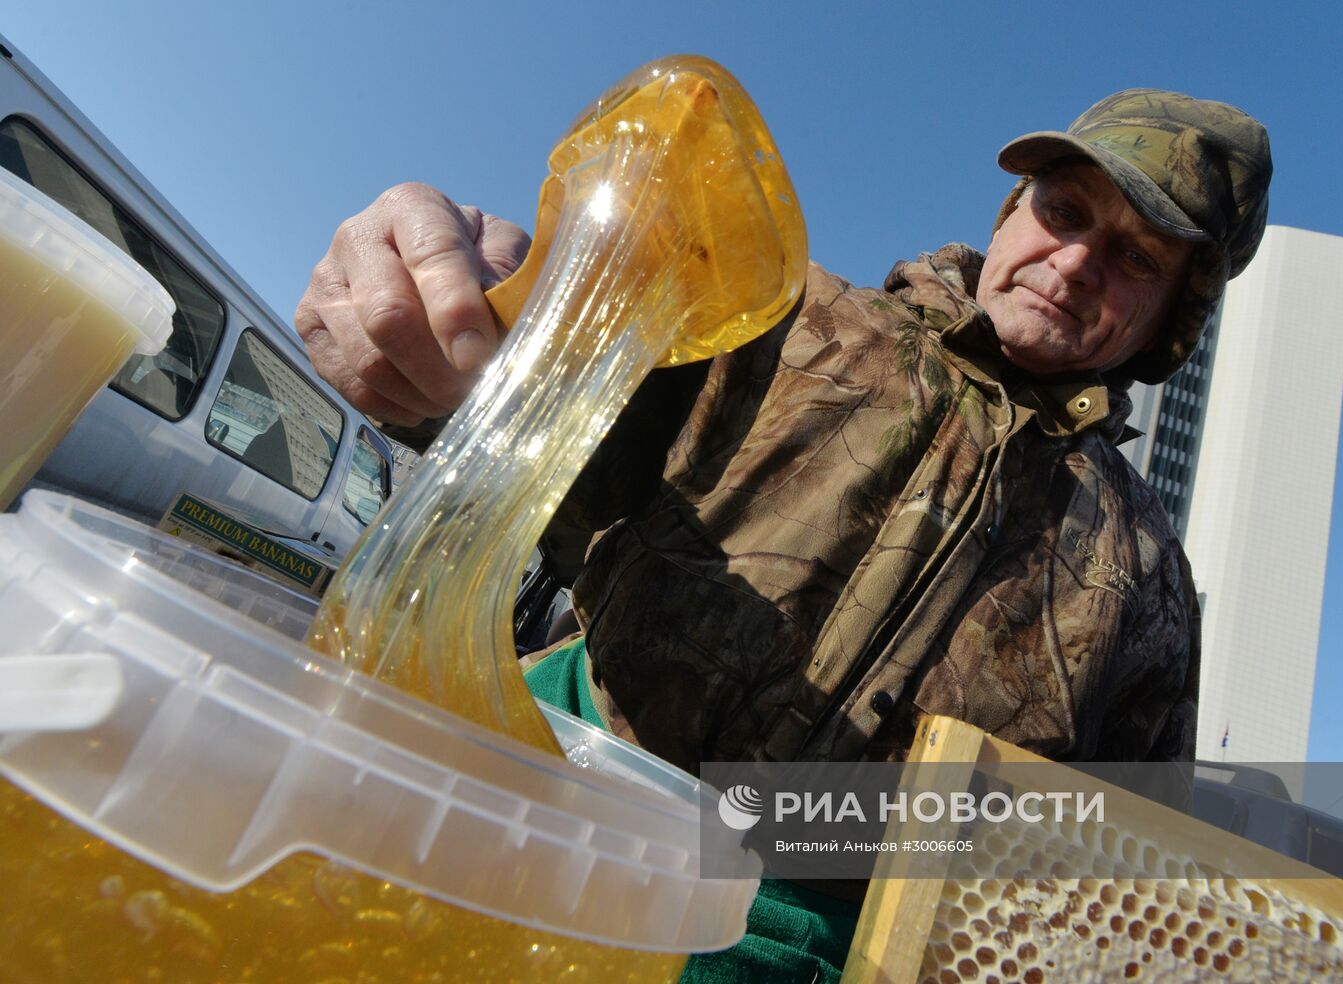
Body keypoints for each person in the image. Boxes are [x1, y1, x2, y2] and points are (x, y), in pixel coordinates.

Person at [295, 88, 1271, 981]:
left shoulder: (1150, 580)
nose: (1072, 263)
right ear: (1011, 212)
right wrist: (450, 330)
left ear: (1170, 324)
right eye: (1062, 209)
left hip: (825, 954)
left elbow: (1113, 886)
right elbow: (534, 413)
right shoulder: (780, 313)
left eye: (1134, 257)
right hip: (541, 811)